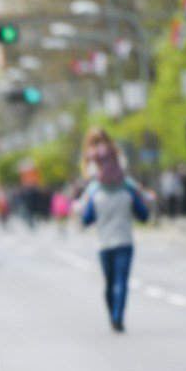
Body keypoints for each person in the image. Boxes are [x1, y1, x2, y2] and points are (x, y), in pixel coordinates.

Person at [79, 128, 150, 333]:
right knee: (121, 282)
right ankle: (117, 317)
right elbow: (143, 215)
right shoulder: (126, 188)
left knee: (110, 283)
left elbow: (86, 218)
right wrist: (145, 200)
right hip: (124, 241)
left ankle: (114, 316)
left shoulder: (95, 193)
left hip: (104, 243)